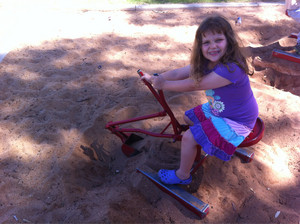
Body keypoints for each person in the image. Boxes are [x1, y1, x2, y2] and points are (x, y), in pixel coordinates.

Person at [141, 15, 259, 185]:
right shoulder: (207, 61)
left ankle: (183, 175)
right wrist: (155, 78)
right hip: (220, 110)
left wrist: (164, 84)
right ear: (200, 46)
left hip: (237, 121)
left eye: (218, 40)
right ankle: (203, 139)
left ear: (229, 41)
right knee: (188, 118)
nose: (213, 47)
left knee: (189, 137)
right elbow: (179, 73)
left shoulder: (231, 67)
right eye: (206, 43)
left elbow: (194, 85)